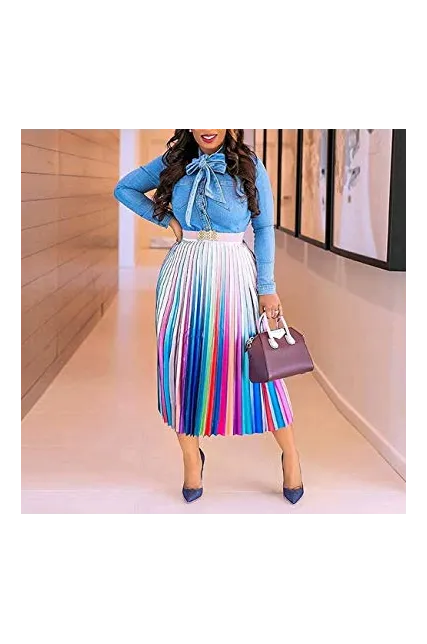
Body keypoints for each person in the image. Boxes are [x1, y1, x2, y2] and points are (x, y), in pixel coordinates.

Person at [114, 128, 304, 504]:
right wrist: (166, 220)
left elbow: (263, 228)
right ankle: (191, 458)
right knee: (180, 366)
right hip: (182, 273)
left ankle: (291, 455)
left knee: (253, 367)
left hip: (235, 273)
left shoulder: (250, 165)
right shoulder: (174, 160)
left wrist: (267, 287)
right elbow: (125, 189)